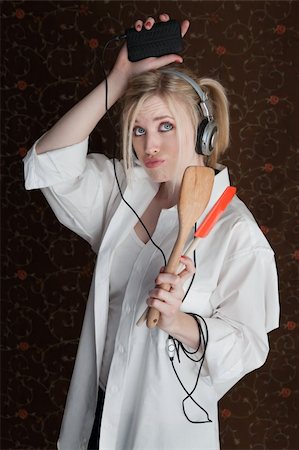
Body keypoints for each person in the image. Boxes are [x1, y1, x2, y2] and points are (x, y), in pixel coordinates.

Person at [23, 13, 279, 450]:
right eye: (138, 131)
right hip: (99, 410)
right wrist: (119, 78)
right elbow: (48, 164)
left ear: (203, 132)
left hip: (161, 428)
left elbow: (249, 345)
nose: (149, 146)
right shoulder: (123, 191)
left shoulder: (236, 231)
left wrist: (181, 321)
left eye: (165, 127)